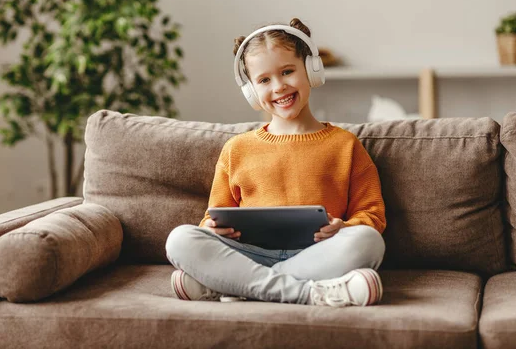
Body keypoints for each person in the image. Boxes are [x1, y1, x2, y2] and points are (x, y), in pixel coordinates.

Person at [165, 18, 386, 307]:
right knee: (180, 239)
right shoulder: (236, 149)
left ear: (311, 70)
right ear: (251, 91)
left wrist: (342, 227)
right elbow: (212, 217)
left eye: (287, 72)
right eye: (264, 80)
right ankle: (309, 293)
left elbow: (372, 216)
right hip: (248, 254)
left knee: (368, 241)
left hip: (319, 255)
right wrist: (210, 229)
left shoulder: (346, 145)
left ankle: (232, 286)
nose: (279, 86)